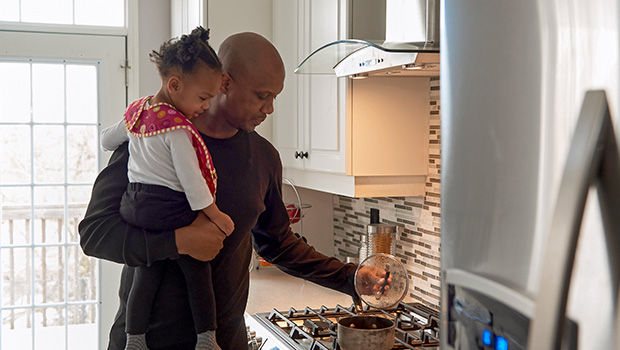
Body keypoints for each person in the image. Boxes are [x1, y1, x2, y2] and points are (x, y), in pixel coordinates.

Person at [79, 32, 388, 350]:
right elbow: (96, 234)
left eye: (274, 98)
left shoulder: (264, 157)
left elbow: (277, 244)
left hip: (223, 342)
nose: (269, 109)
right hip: (146, 341)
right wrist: (180, 242)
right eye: (261, 95)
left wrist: (350, 277)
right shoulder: (152, 135)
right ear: (224, 83)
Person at [100, 27, 233, 350]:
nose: (205, 106)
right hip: (169, 206)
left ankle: (135, 338)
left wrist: (132, 137)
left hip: (136, 207)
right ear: (174, 85)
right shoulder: (176, 128)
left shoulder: (139, 113)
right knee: (198, 272)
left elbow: (107, 139)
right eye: (203, 98)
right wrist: (214, 215)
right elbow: (192, 181)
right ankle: (206, 338)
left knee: (146, 274)